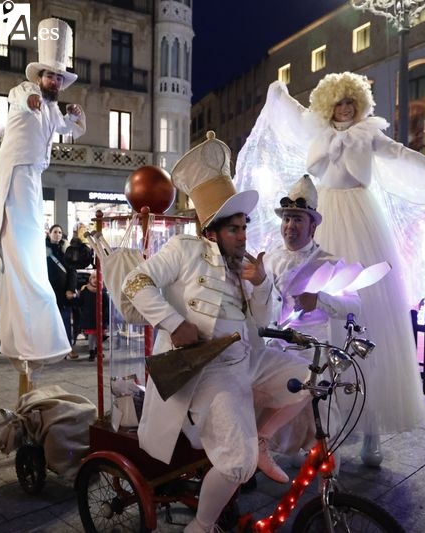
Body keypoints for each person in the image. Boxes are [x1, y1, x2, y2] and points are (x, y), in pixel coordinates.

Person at [122, 133, 310, 533]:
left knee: (310, 379)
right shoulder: (184, 250)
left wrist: (262, 284)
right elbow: (135, 282)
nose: (243, 236)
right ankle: (201, 527)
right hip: (207, 371)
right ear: (212, 231)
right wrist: (174, 323)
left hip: (248, 359)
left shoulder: (244, 264)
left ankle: (261, 441)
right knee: (237, 463)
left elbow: (262, 319)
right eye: (234, 229)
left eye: (244, 227)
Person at [301, 73, 425, 456]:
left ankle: (372, 429)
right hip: (326, 219)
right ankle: (328, 427)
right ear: (328, 106)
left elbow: (402, 154)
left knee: (371, 316)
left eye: (350, 102)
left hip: (361, 219)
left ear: (359, 104)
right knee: (324, 316)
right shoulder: (318, 138)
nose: (345, 109)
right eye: (339, 103)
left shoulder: (369, 134)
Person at [0, 18, 86, 380]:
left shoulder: (52, 108)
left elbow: (67, 128)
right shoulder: (25, 91)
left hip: (33, 174)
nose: (55, 83)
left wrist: (76, 116)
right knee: (22, 233)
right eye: (51, 77)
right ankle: (29, 291)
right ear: (40, 77)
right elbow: (21, 99)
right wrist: (30, 99)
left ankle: (33, 303)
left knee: (32, 235)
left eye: (59, 79)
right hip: (17, 169)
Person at [262, 174, 364, 463]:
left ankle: (328, 476)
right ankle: (257, 461)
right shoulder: (268, 259)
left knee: (321, 417)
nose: (290, 226)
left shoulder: (328, 262)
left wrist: (319, 300)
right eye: (286, 219)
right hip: (274, 350)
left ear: (312, 225)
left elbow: (355, 305)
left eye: (297, 219)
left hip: (312, 355)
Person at [45, 224, 78, 355]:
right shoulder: (41, 249)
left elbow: (72, 271)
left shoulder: (67, 250)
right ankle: (51, 348)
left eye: (60, 232)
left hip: (64, 292)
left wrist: (71, 289)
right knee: (49, 321)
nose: (57, 234)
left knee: (65, 320)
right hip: (48, 291)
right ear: (49, 233)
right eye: (55, 232)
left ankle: (67, 348)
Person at [77, 271, 109, 362]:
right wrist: (74, 298)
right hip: (89, 318)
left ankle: (97, 350)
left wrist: (106, 319)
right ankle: (91, 352)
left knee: (99, 336)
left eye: (97, 278)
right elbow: (80, 303)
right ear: (90, 279)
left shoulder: (103, 291)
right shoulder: (85, 291)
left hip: (100, 318)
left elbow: (107, 306)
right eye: (93, 278)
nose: (95, 280)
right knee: (91, 336)